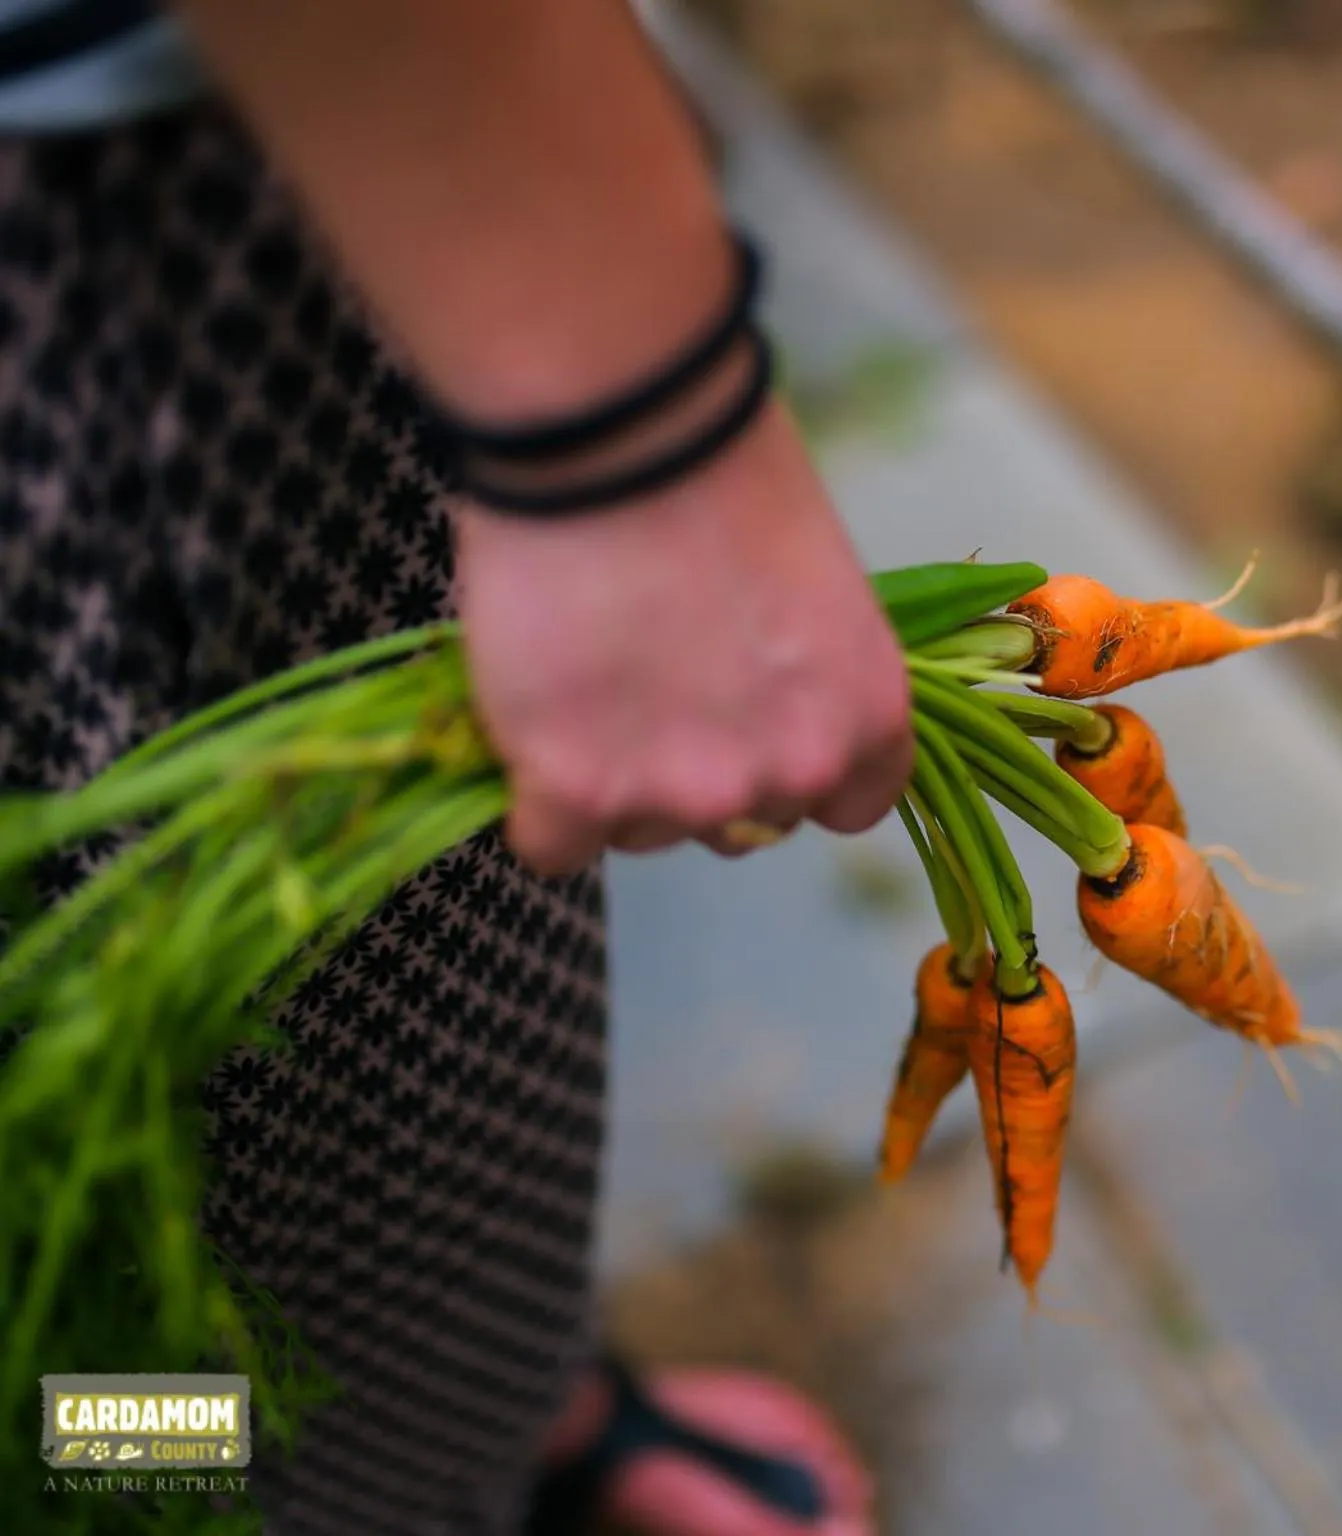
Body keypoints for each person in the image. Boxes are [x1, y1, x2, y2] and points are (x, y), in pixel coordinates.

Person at [0, 2, 908, 1533]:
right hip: (115, 241)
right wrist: (633, 435)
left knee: (180, 1229)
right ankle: (394, 1477)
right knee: (301, 1192)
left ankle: (485, 1420)